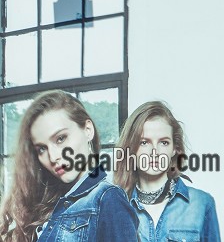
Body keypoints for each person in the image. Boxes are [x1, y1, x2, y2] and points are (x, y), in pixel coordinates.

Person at [0, 89, 140, 242]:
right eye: (42, 149)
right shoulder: (50, 204)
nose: (53, 157)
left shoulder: (108, 198)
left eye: (61, 138)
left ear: (88, 130)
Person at [113, 102, 219, 242]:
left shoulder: (202, 203)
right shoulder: (114, 207)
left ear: (175, 148)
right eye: (144, 142)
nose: (154, 152)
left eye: (164, 142)